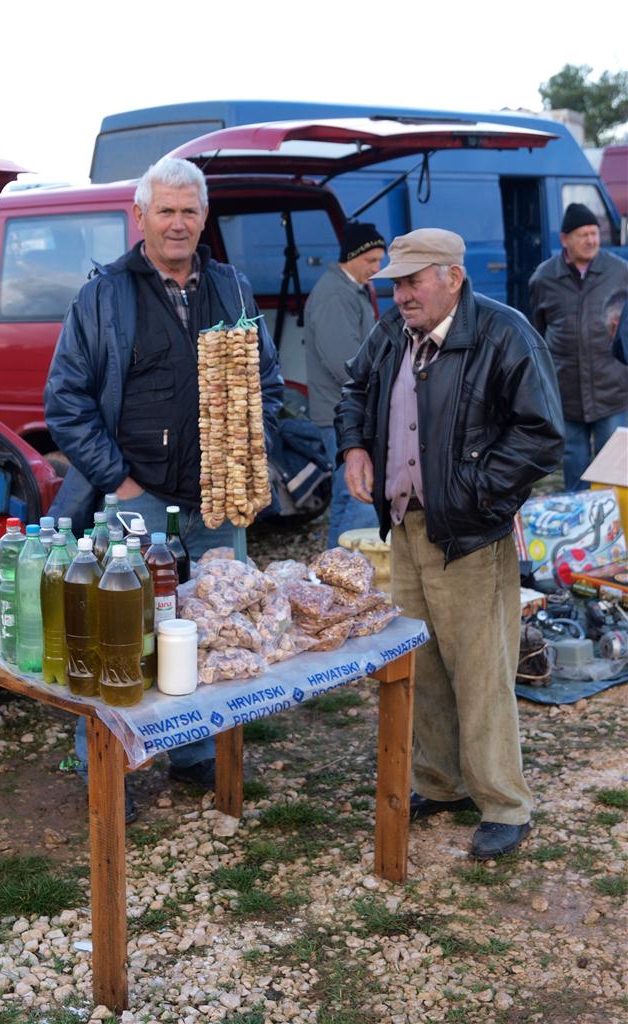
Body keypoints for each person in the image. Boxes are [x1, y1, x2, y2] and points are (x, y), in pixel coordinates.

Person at [44, 157, 283, 820]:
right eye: (166, 211)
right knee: (121, 626)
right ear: (141, 217)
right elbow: (65, 401)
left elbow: (268, 380)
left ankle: (194, 751)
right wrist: (115, 480)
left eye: (190, 211)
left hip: (217, 498)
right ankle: (107, 761)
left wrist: (248, 452)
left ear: (204, 218)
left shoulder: (232, 289)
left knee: (213, 620)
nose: (178, 224)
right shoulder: (105, 296)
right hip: (135, 494)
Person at [336, 228, 564, 860]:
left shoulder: (505, 333)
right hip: (407, 529)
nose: (401, 294)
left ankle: (505, 804)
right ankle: (440, 783)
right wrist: (355, 446)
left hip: (469, 536)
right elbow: (353, 390)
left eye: (413, 281)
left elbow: (541, 435)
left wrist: (473, 494)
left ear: (453, 277)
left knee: (482, 671)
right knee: (425, 663)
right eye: (396, 283)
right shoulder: (392, 333)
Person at [529, 203, 628, 491]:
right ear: (564, 240)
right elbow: (539, 330)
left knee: (615, 459)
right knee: (574, 456)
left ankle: (617, 521)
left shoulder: (620, 272)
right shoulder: (544, 277)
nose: (591, 240)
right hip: (566, 388)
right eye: (583, 234)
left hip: (612, 386)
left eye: (594, 233)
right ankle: (578, 520)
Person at [304, 222, 385, 547]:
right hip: (343, 412)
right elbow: (346, 363)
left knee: (344, 495)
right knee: (361, 492)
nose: (377, 268)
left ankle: (332, 573)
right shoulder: (334, 295)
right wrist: (383, 394)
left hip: (345, 409)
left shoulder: (351, 288)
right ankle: (353, 570)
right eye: (371, 260)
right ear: (353, 255)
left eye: (381, 261)